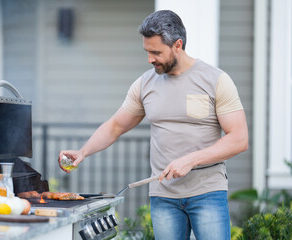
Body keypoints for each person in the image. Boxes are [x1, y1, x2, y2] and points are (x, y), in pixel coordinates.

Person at [58, 10, 248, 240]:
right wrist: (82, 152)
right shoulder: (145, 84)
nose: (150, 59)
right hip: (164, 196)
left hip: (207, 192)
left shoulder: (215, 80)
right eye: (147, 51)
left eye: (156, 52)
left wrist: (190, 159)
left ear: (177, 45)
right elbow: (116, 125)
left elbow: (239, 138)